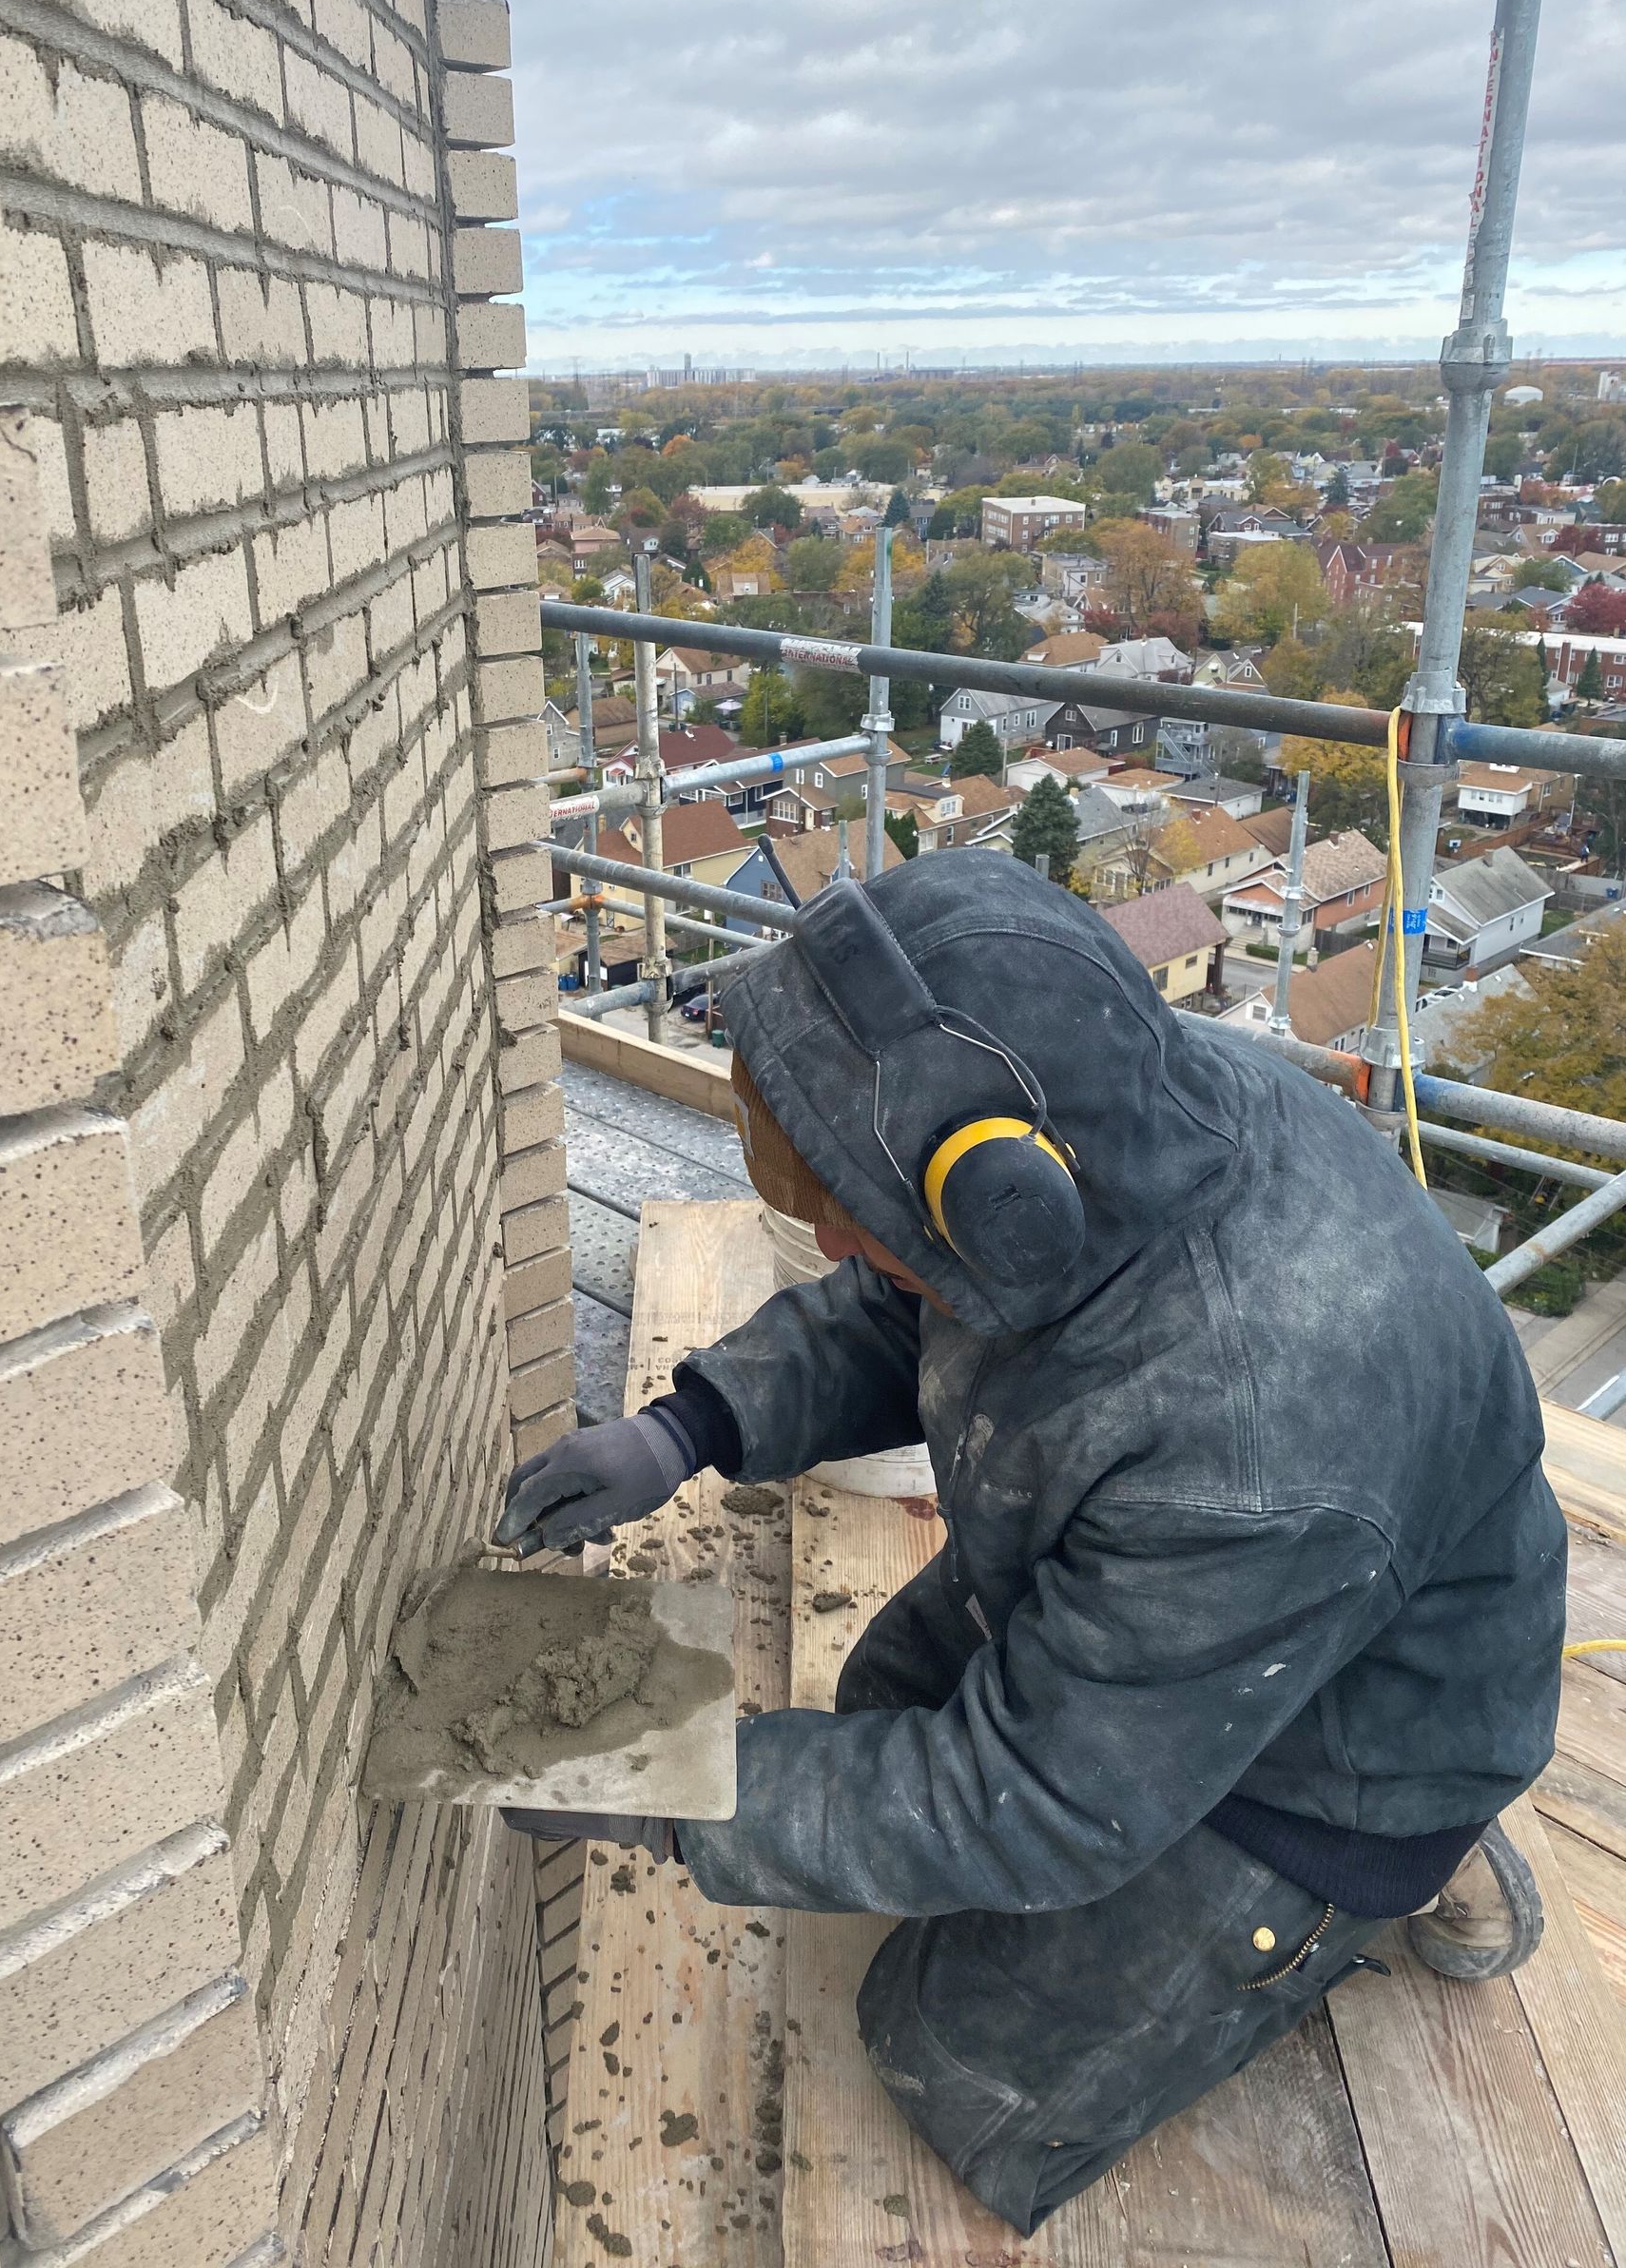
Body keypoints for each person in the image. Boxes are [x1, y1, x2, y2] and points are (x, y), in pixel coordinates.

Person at [494, 852, 1564, 2234]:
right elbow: (914, 1296)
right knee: (884, 1709)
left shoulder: (1252, 1449)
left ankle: (1374, 1887)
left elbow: (1042, 1805)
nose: (822, 1230)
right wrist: (689, 1427)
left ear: (1010, 1189)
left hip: (1345, 1754)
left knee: (958, 2053)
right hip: (1226, 1599)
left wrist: (665, 1785)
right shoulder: (1117, 1125)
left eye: (844, 1206)